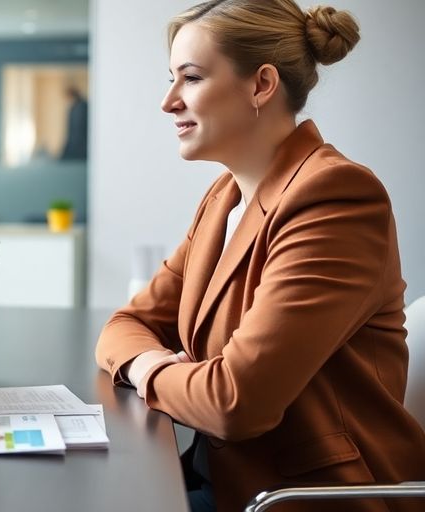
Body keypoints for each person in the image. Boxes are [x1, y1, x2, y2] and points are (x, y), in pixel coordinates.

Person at [94, 1, 425, 511]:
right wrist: (160, 363)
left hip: (294, 498)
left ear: (261, 85)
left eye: (191, 78)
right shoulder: (224, 197)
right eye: (171, 78)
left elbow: (234, 403)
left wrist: (146, 370)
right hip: (220, 480)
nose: (168, 101)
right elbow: (128, 321)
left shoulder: (335, 198)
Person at [59, 86, 87, 161]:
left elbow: (79, 130)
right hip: (74, 147)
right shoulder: (73, 109)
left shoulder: (82, 107)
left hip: (81, 148)